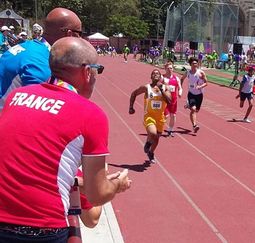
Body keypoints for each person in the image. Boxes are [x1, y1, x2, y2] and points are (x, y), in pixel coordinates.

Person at [0, 37, 132, 242]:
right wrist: (117, 185)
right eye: (98, 69)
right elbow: (97, 195)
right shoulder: (90, 114)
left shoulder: (16, 97)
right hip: (43, 228)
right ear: (87, 72)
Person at [0, 7, 83, 113]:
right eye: (79, 34)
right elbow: (40, 113)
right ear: (69, 34)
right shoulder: (41, 63)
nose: (81, 39)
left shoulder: (31, 47)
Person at [129, 69, 172, 162]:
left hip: (160, 117)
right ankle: (148, 143)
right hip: (149, 116)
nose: (155, 75)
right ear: (151, 77)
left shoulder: (165, 88)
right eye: (153, 73)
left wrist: (161, 90)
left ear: (161, 77)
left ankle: (151, 152)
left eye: (157, 73)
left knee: (156, 139)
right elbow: (134, 93)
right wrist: (131, 107)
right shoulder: (146, 88)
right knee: (153, 133)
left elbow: (169, 101)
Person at [180, 57, 208, 133]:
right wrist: (180, 88)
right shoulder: (188, 73)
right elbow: (182, 79)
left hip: (199, 94)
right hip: (191, 94)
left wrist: (200, 86)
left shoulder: (201, 73)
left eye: (196, 63)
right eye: (193, 63)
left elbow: (206, 83)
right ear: (190, 64)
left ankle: (188, 105)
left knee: (196, 110)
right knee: (193, 110)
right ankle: (195, 125)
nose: (195, 64)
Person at [163, 61, 182, 137]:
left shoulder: (176, 78)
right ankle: (159, 128)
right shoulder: (162, 78)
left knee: (173, 115)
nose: (169, 69)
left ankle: (170, 130)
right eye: (168, 68)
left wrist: (180, 93)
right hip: (165, 100)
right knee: (165, 116)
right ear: (165, 69)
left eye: (171, 68)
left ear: (173, 69)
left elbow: (180, 88)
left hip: (174, 100)